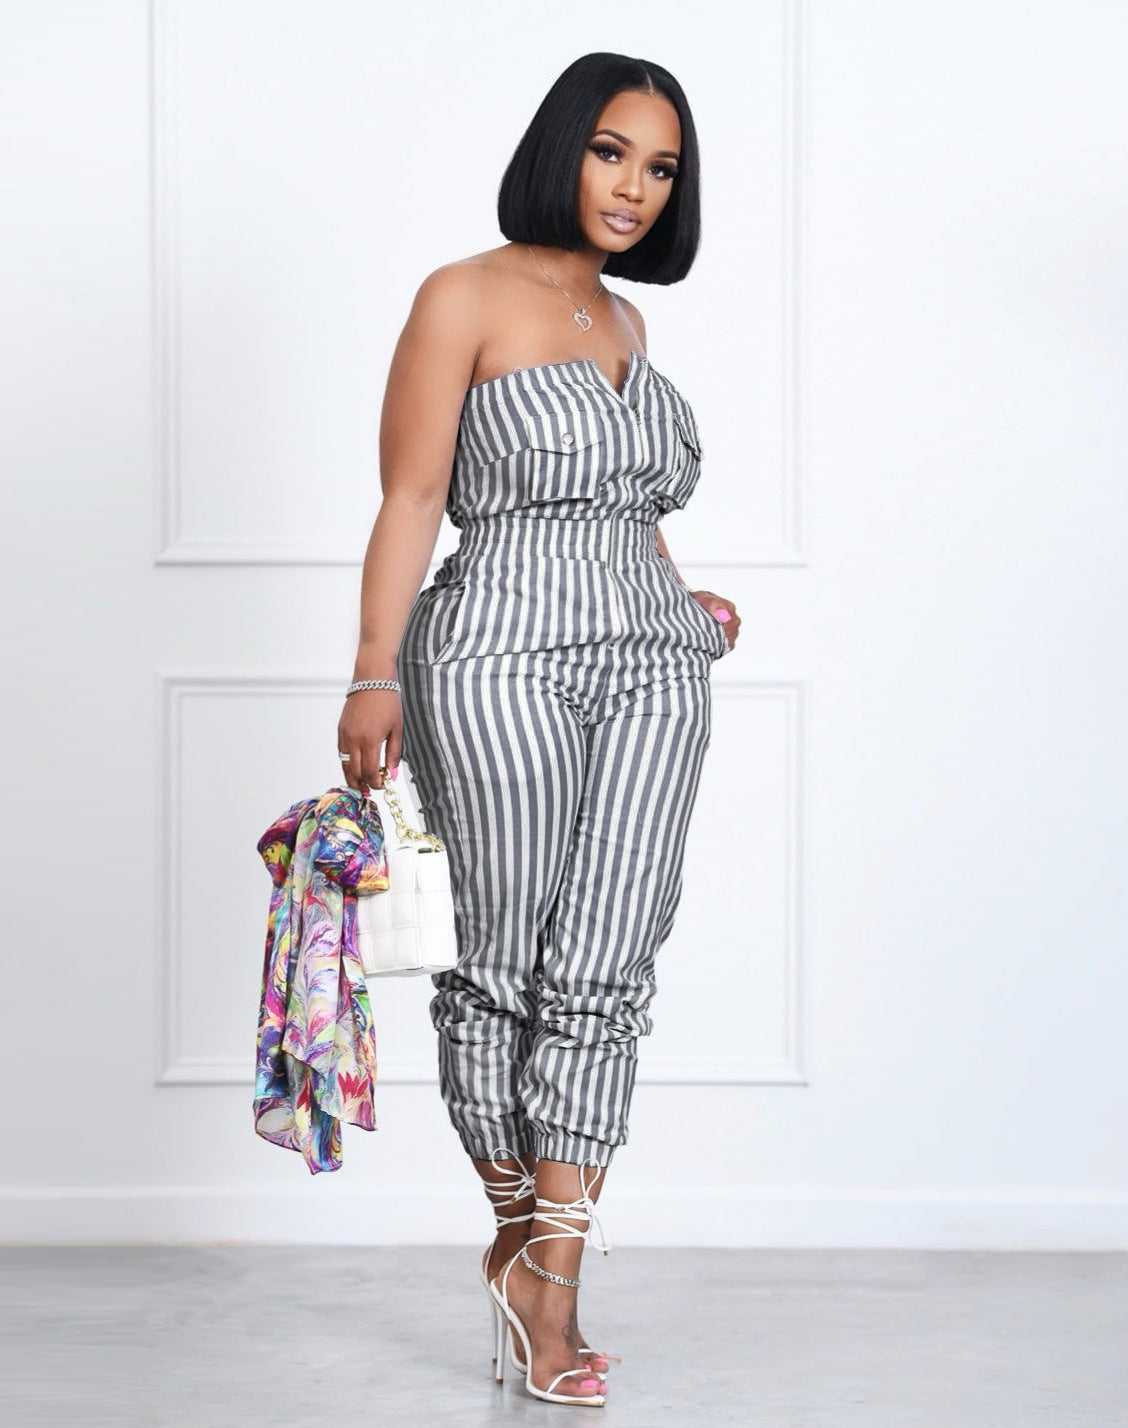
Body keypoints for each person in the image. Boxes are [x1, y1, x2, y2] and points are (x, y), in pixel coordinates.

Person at [336, 51, 740, 1407]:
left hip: (654, 662)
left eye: (661, 167)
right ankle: (518, 1245)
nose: (635, 186)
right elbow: (413, 497)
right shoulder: (462, 296)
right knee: (503, 963)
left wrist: (683, 600)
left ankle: (553, 1283)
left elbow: (624, 505)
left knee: (609, 960)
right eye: (613, 151)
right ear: (564, 146)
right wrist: (373, 676)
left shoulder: (628, 323)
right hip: (494, 654)